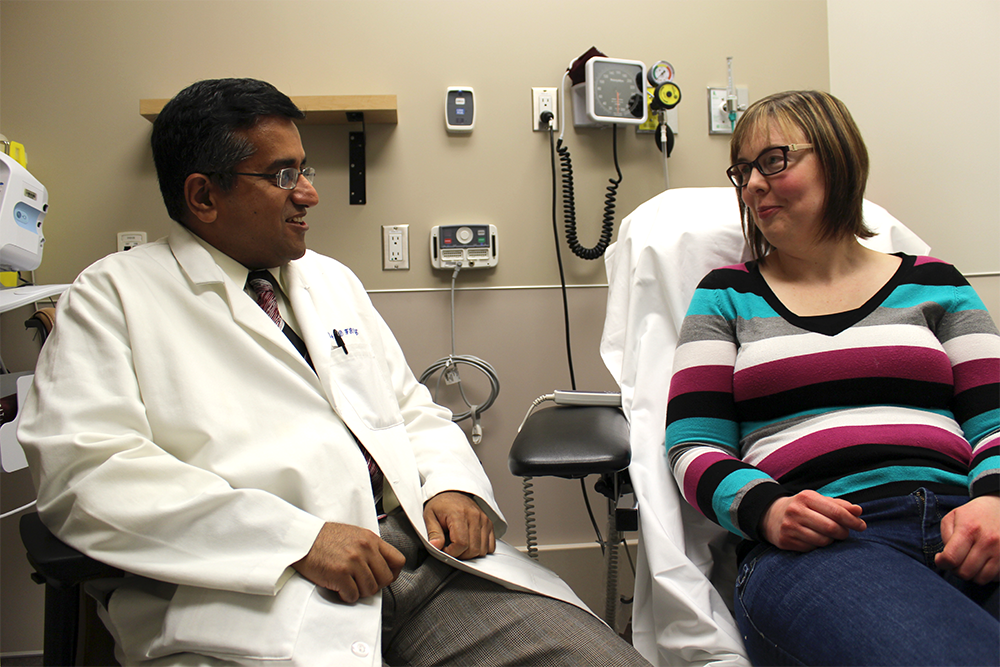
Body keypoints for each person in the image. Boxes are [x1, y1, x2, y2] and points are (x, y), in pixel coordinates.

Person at [18, 78, 649, 667]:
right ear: (203, 196)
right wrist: (297, 540)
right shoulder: (112, 297)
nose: (309, 193)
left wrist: (453, 484)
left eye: (305, 169)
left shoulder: (331, 280)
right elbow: (86, 473)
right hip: (254, 595)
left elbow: (409, 408)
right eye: (282, 174)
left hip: (421, 563)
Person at [665, 90, 1000, 666]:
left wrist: (995, 499)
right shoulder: (725, 295)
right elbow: (692, 445)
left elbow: (994, 418)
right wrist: (766, 509)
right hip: (824, 546)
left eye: (774, 161)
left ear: (839, 157)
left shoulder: (937, 283)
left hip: (969, 520)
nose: (752, 185)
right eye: (742, 171)